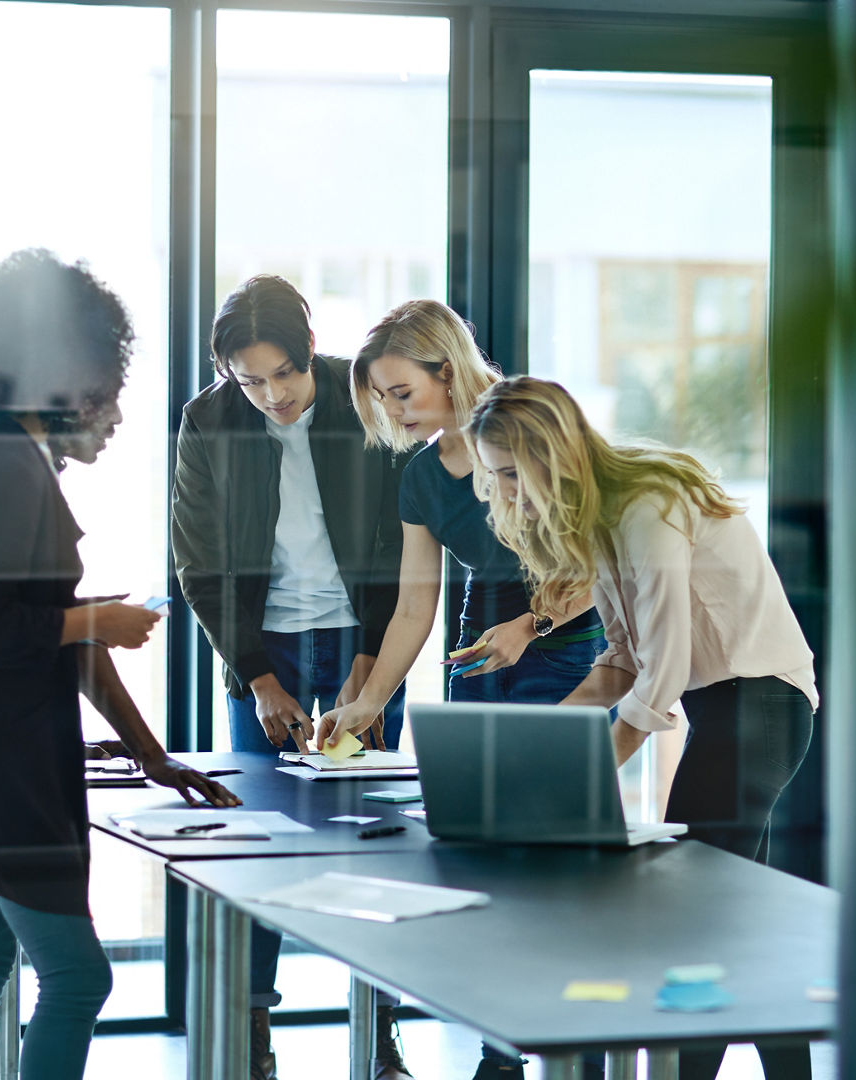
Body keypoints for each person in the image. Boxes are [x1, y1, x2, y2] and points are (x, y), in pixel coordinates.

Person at [0, 249, 237, 1080]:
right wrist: (94, 618)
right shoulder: (6, 466)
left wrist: (149, 752)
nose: (111, 413)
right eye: (104, 388)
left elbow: (44, 628)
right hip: (7, 781)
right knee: (77, 978)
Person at [462, 375, 817, 1080]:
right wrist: (531, 753)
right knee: (736, 923)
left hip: (761, 705)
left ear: (546, 453)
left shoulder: (646, 506)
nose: (502, 492)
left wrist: (582, 774)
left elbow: (662, 672)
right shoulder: (603, 517)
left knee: (693, 916)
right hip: (730, 708)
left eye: (507, 474)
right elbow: (619, 662)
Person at [315, 302, 608, 1080]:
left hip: (570, 641)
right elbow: (417, 605)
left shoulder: (527, 419)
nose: (392, 411)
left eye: (401, 391)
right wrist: (368, 702)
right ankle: (503, 1053)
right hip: (482, 644)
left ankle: (561, 1043)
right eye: (382, 398)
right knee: (489, 859)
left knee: (549, 858)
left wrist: (535, 626)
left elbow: (600, 551)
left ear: (447, 368)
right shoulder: (419, 476)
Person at [171, 274, 411, 1080]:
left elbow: (396, 544)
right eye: (250, 381)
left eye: (283, 375)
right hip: (262, 648)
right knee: (259, 842)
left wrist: (374, 668)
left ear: (311, 353)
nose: (271, 395)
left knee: (367, 833)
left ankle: (379, 1039)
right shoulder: (207, 421)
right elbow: (199, 566)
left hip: (360, 643)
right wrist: (255, 679)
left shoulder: (360, 399)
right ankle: (253, 1036)